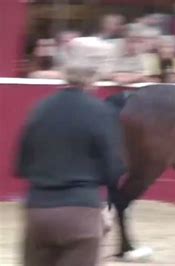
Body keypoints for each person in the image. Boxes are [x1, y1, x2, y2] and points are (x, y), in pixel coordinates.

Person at [16, 37, 125, 266]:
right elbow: (113, 170)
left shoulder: (39, 109)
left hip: (38, 212)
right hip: (81, 212)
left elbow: (22, 165)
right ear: (98, 72)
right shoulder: (101, 112)